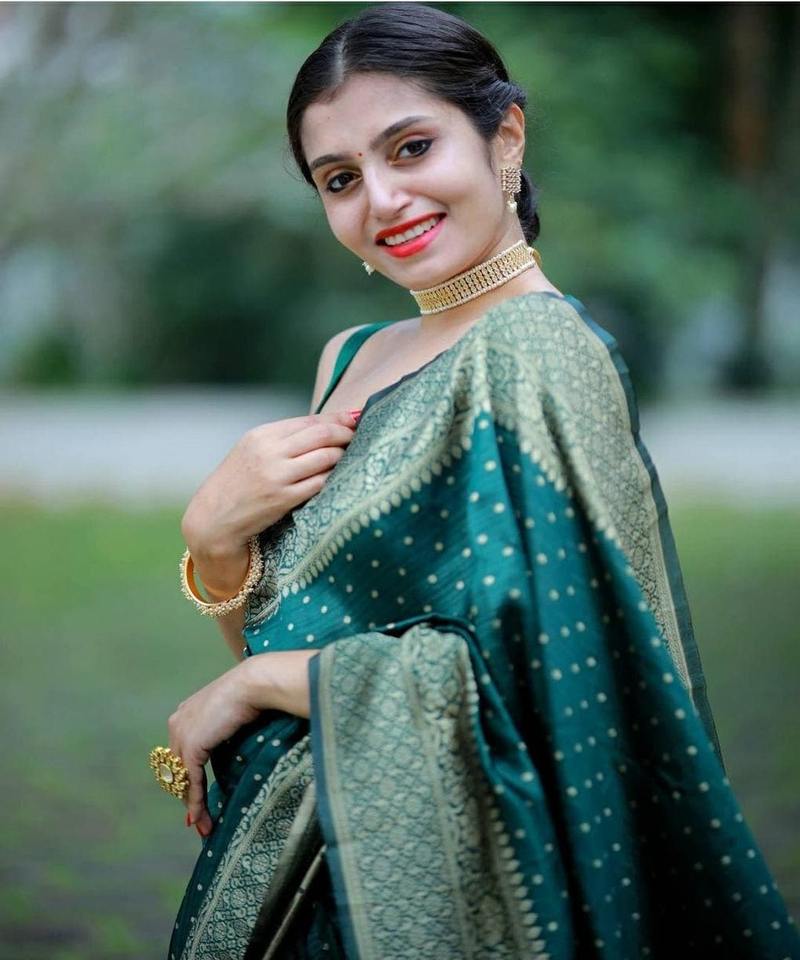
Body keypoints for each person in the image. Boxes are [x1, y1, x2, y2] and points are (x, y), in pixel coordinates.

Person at [154, 5, 800, 958]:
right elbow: (290, 625)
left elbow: (556, 680)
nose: (382, 200)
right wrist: (214, 542)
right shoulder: (349, 358)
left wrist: (263, 679)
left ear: (506, 137)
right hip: (297, 857)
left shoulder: (540, 353)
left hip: (457, 886)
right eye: (340, 179)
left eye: (411, 148)